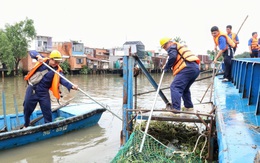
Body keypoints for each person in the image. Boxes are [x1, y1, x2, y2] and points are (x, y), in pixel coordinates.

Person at [23, 50, 78, 128]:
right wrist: (37, 56)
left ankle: (48, 127)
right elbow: (32, 52)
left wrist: (72, 86)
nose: (56, 63)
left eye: (58, 62)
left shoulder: (57, 71)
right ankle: (26, 125)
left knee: (47, 111)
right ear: (50, 59)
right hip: (32, 90)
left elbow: (63, 80)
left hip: (43, 93)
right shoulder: (43, 61)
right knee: (27, 108)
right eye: (55, 61)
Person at [160, 37, 200, 112]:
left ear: (169, 42)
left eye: (165, 46)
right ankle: (189, 107)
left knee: (175, 87)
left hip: (187, 67)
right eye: (163, 48)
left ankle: (175, 109)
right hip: (195, 68)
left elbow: (172, 57)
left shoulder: (172, 47)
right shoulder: (177, 47)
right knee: (185, 88)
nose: (165, 49)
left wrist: (166, 67)